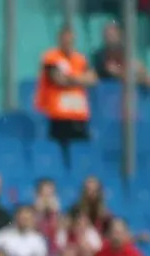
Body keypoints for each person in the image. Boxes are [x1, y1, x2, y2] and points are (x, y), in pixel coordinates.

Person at [35, 26, 94, 170]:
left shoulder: (80, 59)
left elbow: (92, 79)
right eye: (65, 38)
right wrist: (80, 79)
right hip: (59, 115)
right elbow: (58, 79)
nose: (68, 42)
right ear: (59, 39)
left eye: (71, 38)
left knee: (82, 155)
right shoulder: (51, 57)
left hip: (78, 115)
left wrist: (70, 79)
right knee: (60, 154)